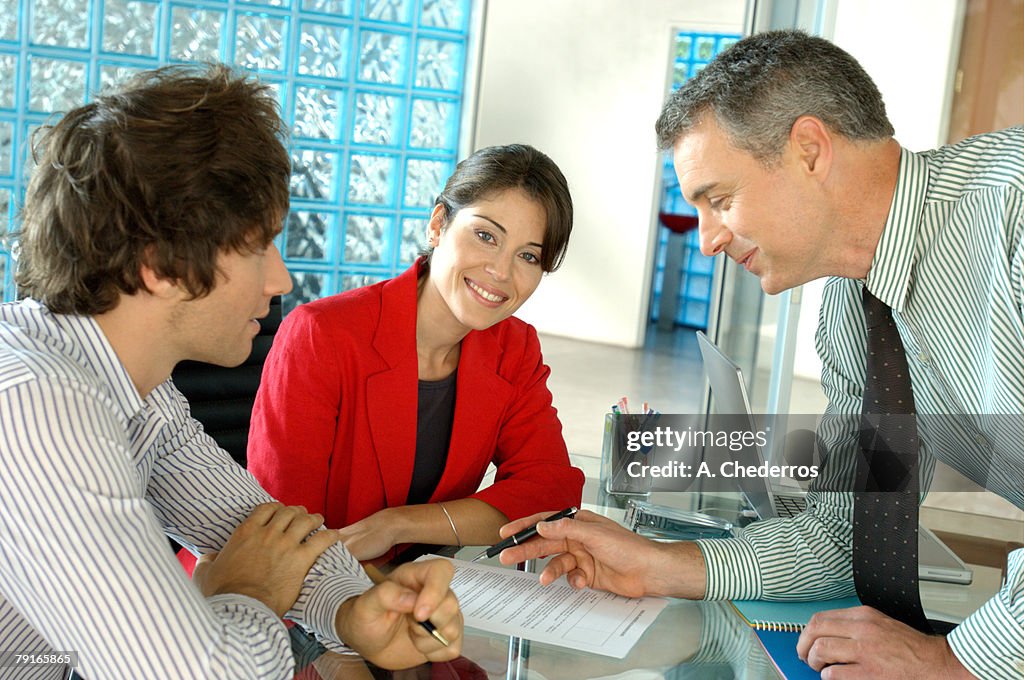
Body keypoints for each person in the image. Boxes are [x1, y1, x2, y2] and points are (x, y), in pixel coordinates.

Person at [498, 30, 1023, 680]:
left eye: (720, 200)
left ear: (809, 149)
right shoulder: (854, 311)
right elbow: (845, 532)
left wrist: (949, 663)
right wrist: (660, 563)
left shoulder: (1013, 215)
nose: (709, 242)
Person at [0, 64, 462, 679]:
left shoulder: (136, 387)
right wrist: (242, 597)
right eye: (257, 246)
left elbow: (260, 527)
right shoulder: (38, 409)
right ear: (159, 266)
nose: (281, 280)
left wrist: (354, 610)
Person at [246, 144, 585, 561]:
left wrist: (397, 524)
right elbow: (281, 534)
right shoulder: (321, 336)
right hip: (301, 596)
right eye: (485, 236)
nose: (501, 271)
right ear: (439, 225)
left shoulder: (513, 349)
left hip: (418, 587)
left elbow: (550, 491)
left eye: (528, 256)